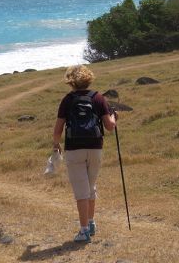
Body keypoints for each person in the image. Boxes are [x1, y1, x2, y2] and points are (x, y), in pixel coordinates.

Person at [52, 65, 117, 243]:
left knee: (81, 191)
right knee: (91, 186)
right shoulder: (98, 98)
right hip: (95, 147)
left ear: (71, 81)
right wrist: (114, 117)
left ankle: (83, 231)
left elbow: (58, 130)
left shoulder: (67, 100)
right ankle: (91, 222)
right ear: (89, 79)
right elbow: (110, 127)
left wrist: (56, 145)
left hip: (74, 149)